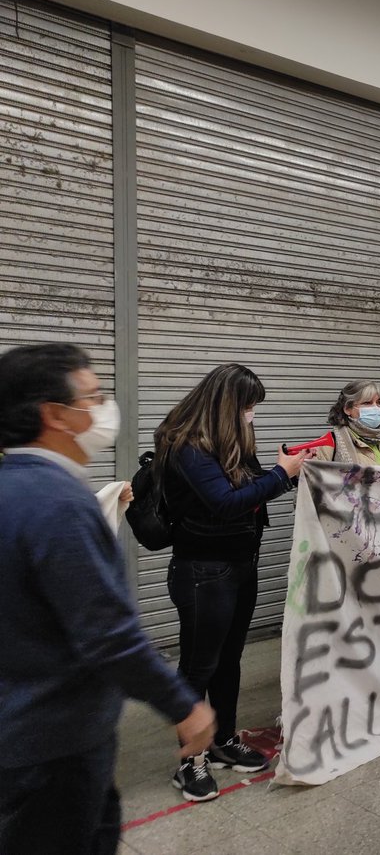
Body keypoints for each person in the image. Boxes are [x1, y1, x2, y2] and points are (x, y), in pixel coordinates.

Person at [0, 344, 215, 854]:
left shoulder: (14, 489)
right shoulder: (58, 503)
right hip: (53, 742)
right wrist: (183, 705)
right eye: (93, 397)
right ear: (54, 415)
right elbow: (106, 633)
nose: (104, 409)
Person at [155, 363, 312, 800]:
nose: (252, 414)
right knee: (199, 665)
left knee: (228, 660)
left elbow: (250, 491)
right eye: (248, 406)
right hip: (203, 571)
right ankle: (191, 760)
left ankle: (222, 739)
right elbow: (226, 503)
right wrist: (282, 473)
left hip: (240, 564)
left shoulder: (230, 444)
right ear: (227, 405)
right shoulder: (186, 445)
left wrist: (289, 471)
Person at [314, 379, 380, 467]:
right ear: (348, 409)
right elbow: (312, 479)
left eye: (379, 402)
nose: (375, 407)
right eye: (367, 403)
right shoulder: (329, 443)